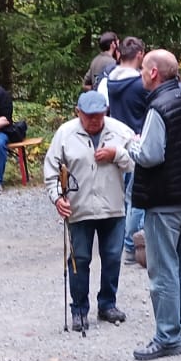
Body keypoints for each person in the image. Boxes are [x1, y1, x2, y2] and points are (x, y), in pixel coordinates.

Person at [126, 50, 181, 360]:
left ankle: (168, 336)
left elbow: (150, 155)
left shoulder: (158, 107)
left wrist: (130, 144)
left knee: (163, 270)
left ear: (154, 72)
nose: (141, 74)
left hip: (164, 199)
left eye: (144, 69)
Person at [44, 88, 135, 332]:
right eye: (89, 115)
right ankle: (79, 310)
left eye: (99, 115)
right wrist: (56, 199)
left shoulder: (119, 131)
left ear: (106, 111)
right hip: (78, 207)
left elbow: (137, 162)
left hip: (112, 207)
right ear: (78, 112)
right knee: (79, 259)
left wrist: (117, 154)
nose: (95, 120)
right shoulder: (65, 133)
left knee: (113, 257)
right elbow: (51, 170)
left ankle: (107, 304)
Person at [102, 37, 148, 261]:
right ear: (139, 54)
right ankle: (131, 246)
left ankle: (125, 243)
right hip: (138, 142)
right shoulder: (140, 84)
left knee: (124, 197)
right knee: (137, 197)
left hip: (117, 141)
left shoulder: (110, 80)